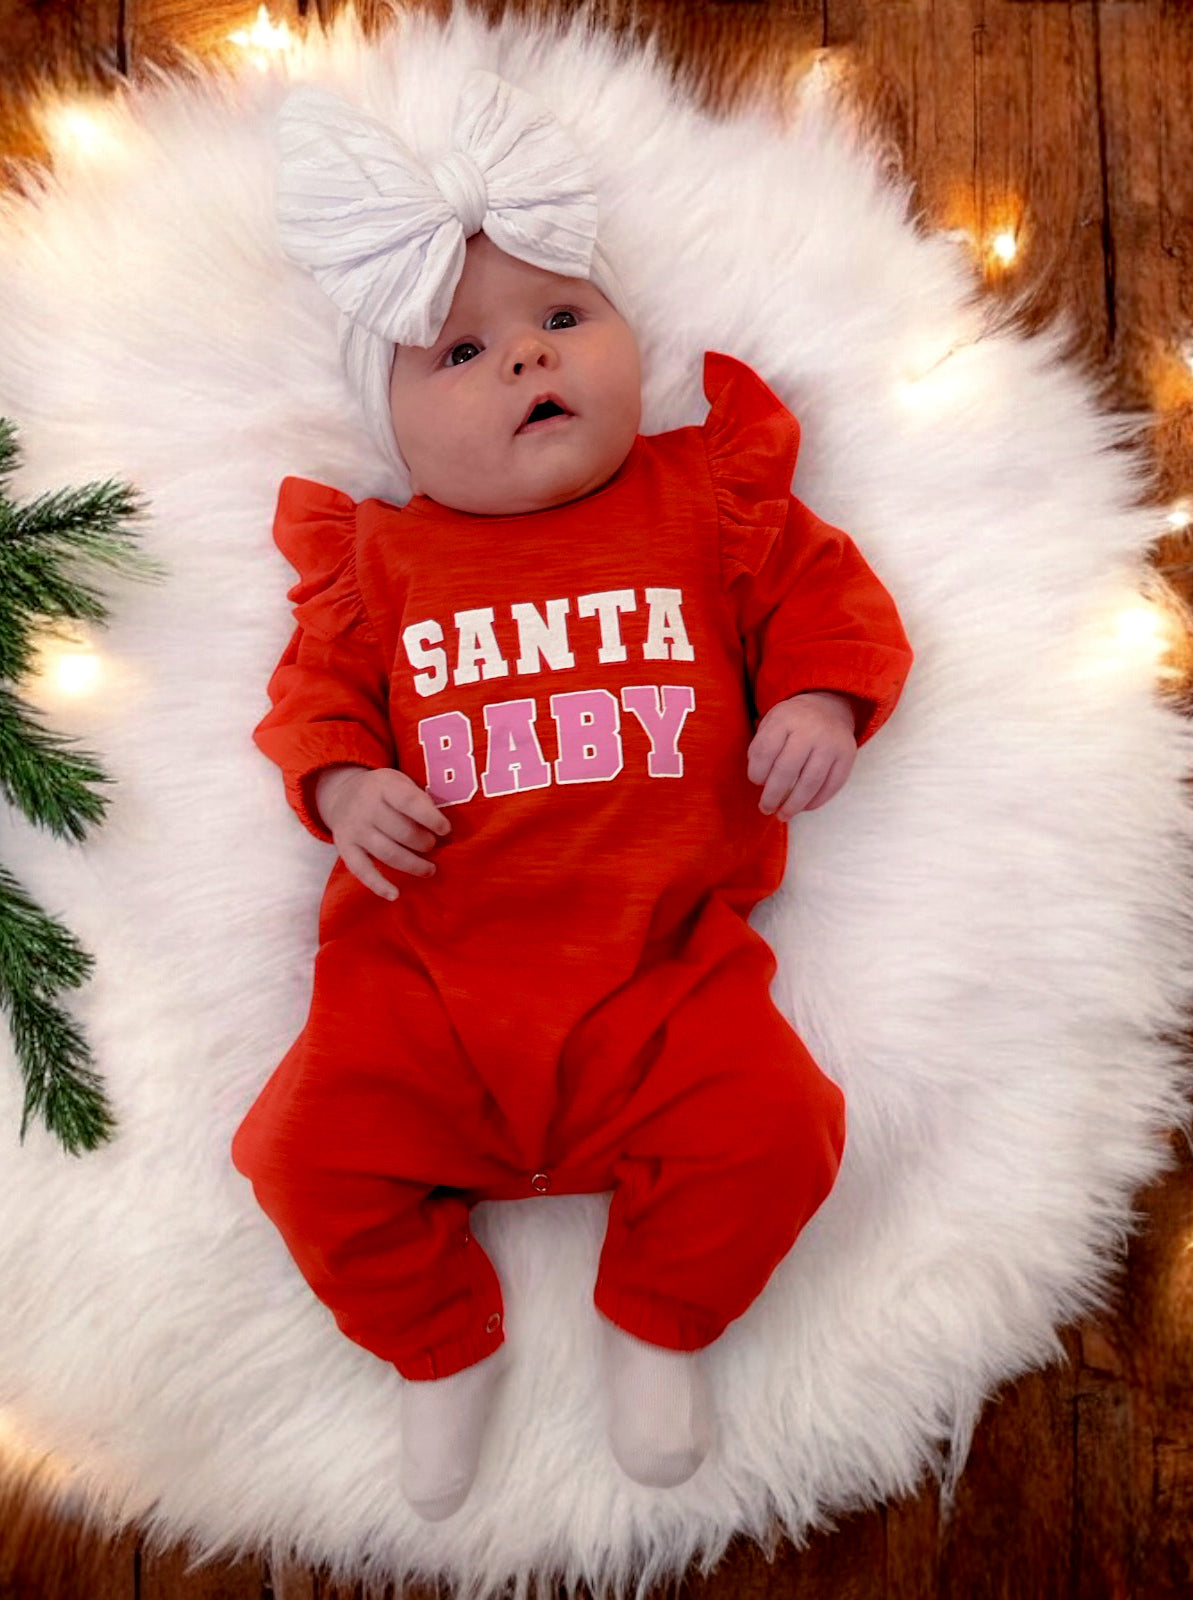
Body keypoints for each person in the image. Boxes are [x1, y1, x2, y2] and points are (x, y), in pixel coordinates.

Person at [231, 71, 913, 1522]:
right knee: (296, 1154)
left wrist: (814, 696)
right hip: (420, 987)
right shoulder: (383, 564)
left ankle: (658, 1320)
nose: (526, 363)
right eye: (461, 350)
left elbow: (820, 593)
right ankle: (433, 1344)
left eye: (560, 319)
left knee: (781, 1125)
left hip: (663, 972)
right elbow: (313, 700)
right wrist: (345, 784)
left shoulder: (701, 501)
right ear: (396, 426)